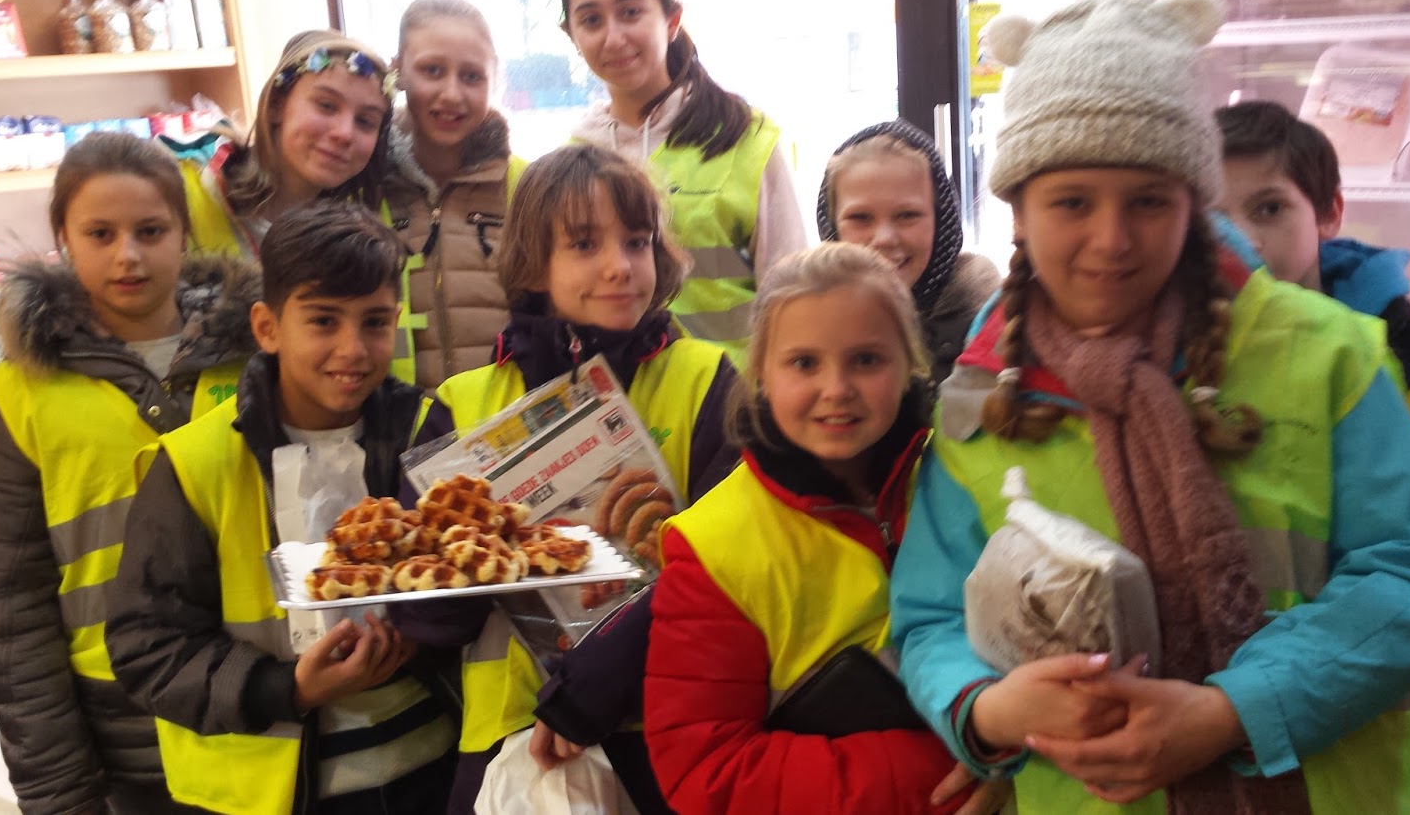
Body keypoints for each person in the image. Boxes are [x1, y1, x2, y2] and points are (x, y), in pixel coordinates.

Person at [890, 0, 1410, 813]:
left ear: (1192, 205)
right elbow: (929, 616)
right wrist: (987, 710)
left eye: (1149, 200)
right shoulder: (980, 398)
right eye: (1071, 201)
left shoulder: (1328, 355)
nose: (1111, 239)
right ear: (1018, 209)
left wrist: (1234, 711)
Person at [395, 143, 739, 813]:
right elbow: (424, 617)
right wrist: (478, 565)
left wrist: (608, 667)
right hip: (512, 744)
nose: (620, 266)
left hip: (674, 728)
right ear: (533, 264)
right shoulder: (465, 404)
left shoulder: (707, 382)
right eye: (584, 244)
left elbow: (737, 570)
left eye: (637, 241)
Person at [104, 203, 457, 815]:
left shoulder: (427, 433)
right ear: (267, 327)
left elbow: (469, 580)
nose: (352, 348)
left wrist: (430, 630)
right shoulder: (195, 463)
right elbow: (148, 646)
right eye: (323, 321)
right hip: (271, 789)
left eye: (374, 322)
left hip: (430, 768)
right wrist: (286, 688)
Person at [0, 132, 258, 814]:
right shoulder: (22, 395)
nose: (127, 255)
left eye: (150, 230)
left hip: (259, 700)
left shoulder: (257, 361)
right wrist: (59, 792)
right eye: (100, 233)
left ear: (184, 232)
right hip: (125, 734)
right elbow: (10, 612)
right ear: (63, 239)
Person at [1216, 98, 1410, 808]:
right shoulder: (1190, 373)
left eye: (1269, 209)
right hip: (1247, 749)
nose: (1241, 239)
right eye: (1213, 216)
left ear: (1329, 212)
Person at [642, 242, 973, 814]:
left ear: (909, 365)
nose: (836, 388)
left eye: (866, 360)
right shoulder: (713, 546)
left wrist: (1018, 740)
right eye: (804, 363)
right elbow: (703, 768)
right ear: (761, 374)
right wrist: (955, 761)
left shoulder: (965, 479)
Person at [558, 0, 807, 363]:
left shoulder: (745, 137)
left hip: (732, 393)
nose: (613, 37)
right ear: (573, 36)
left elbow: (796, 296)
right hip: (624, 397)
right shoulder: (574, 159)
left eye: (630, 12)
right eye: (591, 20)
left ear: (671, 20)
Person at [383, 0, 528, 389]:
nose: (451, 93)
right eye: (432, 70)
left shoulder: (530, 187)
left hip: (508, 418)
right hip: (400, 421)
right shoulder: (363, 191)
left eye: (471, 76)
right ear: (398, 71)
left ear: (494, 80)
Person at [161, 28, 394, 260]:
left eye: (365, 121)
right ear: (275, 105)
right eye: (326, 106)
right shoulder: (180, 193)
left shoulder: (367, 221)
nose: (344, 133)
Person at [816, 120, 1002, 383]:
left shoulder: (990, 327)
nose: (884, 238)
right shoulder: (807, 325)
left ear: (940, 221)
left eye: (907, 215)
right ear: (832, 227)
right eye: (860, 217)